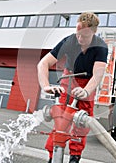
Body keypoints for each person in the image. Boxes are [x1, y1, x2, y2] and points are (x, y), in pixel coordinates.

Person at [37, 12, 108, 163]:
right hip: (68, 79)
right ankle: (52, 155)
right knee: (61, 118)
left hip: (87, 83)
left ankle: (75, 157)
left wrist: (86, 91)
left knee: (82, 122)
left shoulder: (100, 47)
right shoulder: (69, 41)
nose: (80, 39)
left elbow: (97, 75)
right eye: (78, 34)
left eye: (85, 36)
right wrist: (45, 86)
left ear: (94, 32)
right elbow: (43, 63)